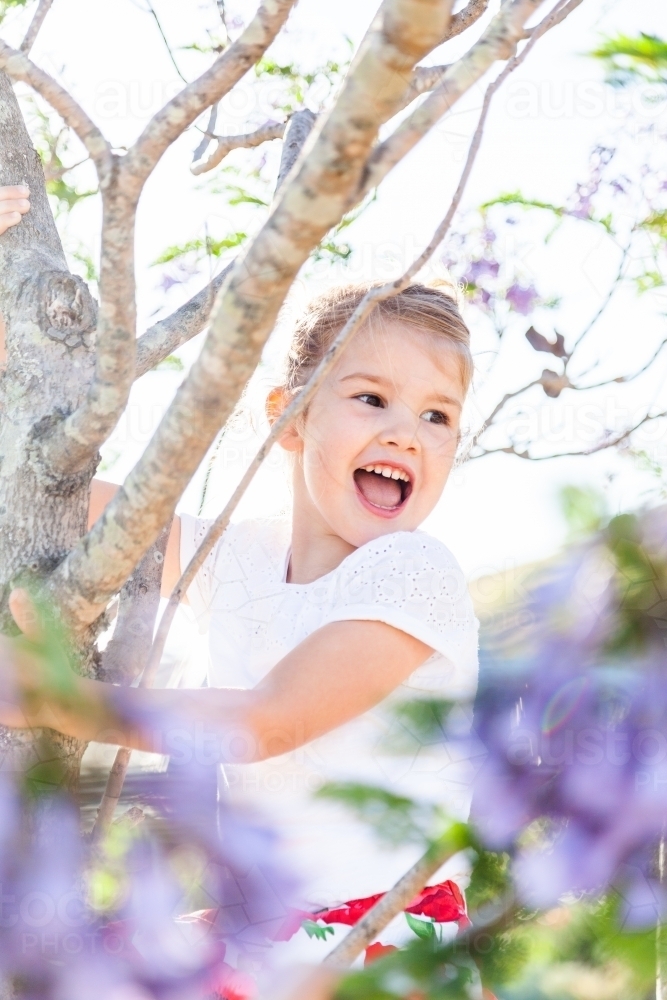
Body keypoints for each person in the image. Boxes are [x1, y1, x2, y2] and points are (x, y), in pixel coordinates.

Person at [0, 188, 479, 966]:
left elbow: (264, 722)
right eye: (371, 399)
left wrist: (60, 700)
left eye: (438, 416)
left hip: (383, 935)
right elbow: (38, 490)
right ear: (288, 417)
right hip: (271, 935)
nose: (406, 433)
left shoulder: (413, 571)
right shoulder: (238, 553)